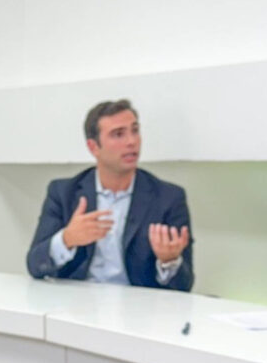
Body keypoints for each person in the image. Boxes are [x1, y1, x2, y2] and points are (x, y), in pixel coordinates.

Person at [26, 99, 193, 291]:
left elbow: (185, 286)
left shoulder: (168, 198)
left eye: (135, 131)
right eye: (118, 134)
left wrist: (169, 262)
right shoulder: (63, 193)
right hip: (77, 301)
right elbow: (34, 265)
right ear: (93, 147)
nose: (131, 141)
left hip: (138, 305)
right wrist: (67, 239)